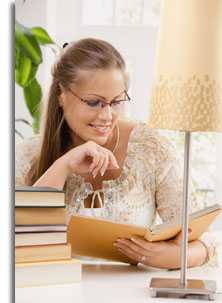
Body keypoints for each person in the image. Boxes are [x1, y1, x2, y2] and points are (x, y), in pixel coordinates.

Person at [15, 38, 220, 269]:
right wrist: (63, 166)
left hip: (129, 300)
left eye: (117, 101)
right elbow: (14, 239)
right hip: (51, 295)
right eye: (94, 102)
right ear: (61, 94)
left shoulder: (151, 149)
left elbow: (205, 240)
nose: (107, 116)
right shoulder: (28, 154)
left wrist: (173, 256)